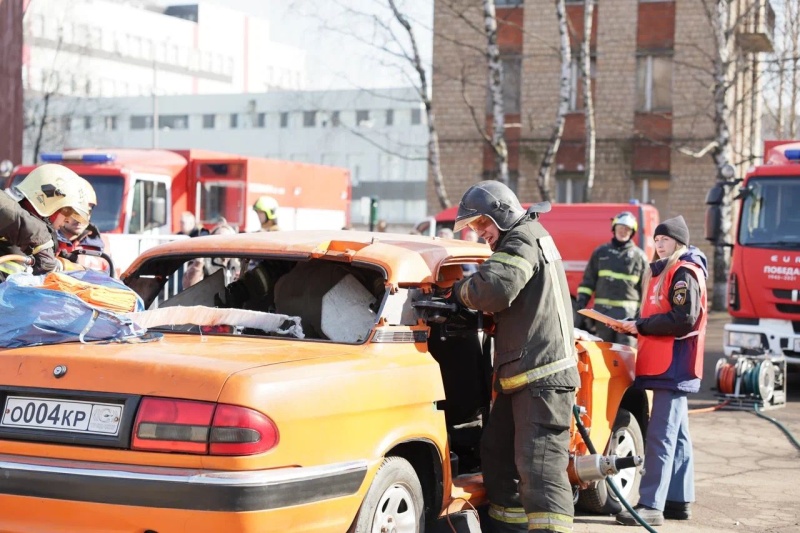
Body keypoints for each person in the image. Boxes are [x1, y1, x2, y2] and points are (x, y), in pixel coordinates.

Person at [449, 180, 581, 533]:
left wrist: (459, 293)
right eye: (475, 228)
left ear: (501, 214)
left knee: (540, 469)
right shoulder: (527, 236)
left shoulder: (521, 239)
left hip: (542, 378)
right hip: (525, 376)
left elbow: (496, 288)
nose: (480, 235)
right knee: (497, 456)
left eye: (482, 225)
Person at [611, 215, 708, 527]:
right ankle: (678, 501)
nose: (659, 244)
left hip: (675, 364)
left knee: (660, 436)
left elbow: (683, 319)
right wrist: (632, 323)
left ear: (678, 241)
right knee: (676, 437)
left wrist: (640, 325)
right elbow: (658, 312)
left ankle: (651, 504)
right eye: (657, 239)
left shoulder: (683, 271)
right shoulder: (666, 270)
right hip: (669, 363)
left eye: (665, 239)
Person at [1, 164, 95, 281]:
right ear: (49, 203)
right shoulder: (12, 220)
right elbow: (6, 210)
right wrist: (40, 238)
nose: (68, 220)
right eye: (68, 211)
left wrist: (60, 262)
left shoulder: (28, 241)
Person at [575, 211, 648, 345]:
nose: (623, 231)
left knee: (626, 353)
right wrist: (582, 301)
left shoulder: (639, 257)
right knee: (605, 350)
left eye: (627, 229)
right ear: (614, 229)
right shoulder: (601, 252)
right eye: (620, 228)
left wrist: (642, 317)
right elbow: (588, 281)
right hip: (603, 315)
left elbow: (646, 289)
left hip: (628, 317)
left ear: (632, 232)